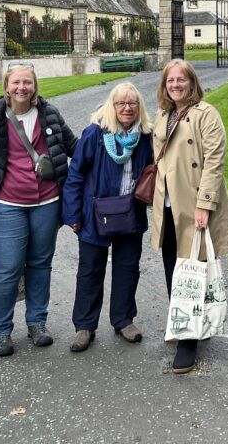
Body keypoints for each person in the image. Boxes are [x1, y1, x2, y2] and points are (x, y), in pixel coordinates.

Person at [0, 61, 78, 357]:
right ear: (7, 86)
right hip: (8, 204)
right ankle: (1, 330)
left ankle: (37, 322)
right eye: (16, 83)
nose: (22, 88)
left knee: (40, 264)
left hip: (47, 203)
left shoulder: (48, 113)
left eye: (27, 82)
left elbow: (76, 146)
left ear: (35, 85)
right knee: (7, 268)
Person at [150, 59, 228, 374]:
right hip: (168, 206)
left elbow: (215, 160)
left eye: (181, 80)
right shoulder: (162, 114)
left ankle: (188, 342)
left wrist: (205, 203)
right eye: (170, 80)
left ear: (192, 82)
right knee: (174, 268)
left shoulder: (206, 113)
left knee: (191, 271)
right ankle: (182, 322)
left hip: (194, 205)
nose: (175, 85)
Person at [61, 82, 154, 352]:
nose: (127, 108)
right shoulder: (95, 134)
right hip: (94, 214)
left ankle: (123, 320)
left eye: (133, 103)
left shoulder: (145, 136)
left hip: (130, 213)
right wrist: (73, 214)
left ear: (140, 107)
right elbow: (75, 174)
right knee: (90, 270)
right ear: (111, 107)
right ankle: (84, 326)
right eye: (121, 103)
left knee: (127, 268)